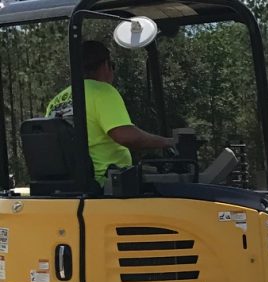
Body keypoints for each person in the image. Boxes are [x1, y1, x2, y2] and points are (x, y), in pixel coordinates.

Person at [45, 40, 176, 185]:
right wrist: (167, 142)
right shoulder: (102, 91)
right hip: (107, 183)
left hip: (70, 185)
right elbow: (126, 137)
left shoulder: (56, 101)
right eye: (112, 66)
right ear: (105, 65)